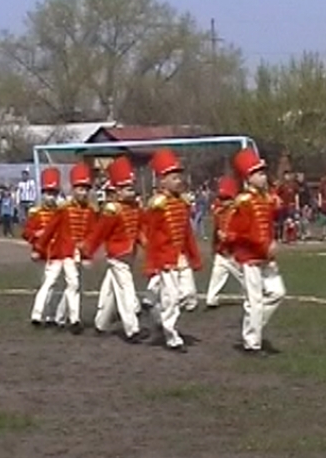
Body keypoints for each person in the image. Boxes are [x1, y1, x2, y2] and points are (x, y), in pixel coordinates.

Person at [224, 148, 286, 355]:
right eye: (259, 173)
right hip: (249, 257)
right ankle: (252, 342)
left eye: (263, 172)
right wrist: (262, 244)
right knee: (255, 301)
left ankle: (253, 327)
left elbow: (273, 215)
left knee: (277, 293)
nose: (264, 177)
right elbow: (234, 233)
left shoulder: (265, 198)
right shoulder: (244, 202)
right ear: (248, 178)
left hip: (266, 256)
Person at [142, 149, 202, 353]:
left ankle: (156, 312)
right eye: (174, 177)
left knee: (190, 295)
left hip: (181, 257)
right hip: (165, 258)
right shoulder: (157, 205)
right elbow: (152, 238)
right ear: (162, 181)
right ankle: (171, 335)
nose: (179, 181)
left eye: (179, 177)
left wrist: (194, 258)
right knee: (172, 297)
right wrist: (152, 265)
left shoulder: (182, 203)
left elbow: (187, 234)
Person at [82, 157, 144, 342]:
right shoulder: (112, 210)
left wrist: (145, 242)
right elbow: (99, 234)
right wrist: (88, 253)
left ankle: (101, 324)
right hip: (117, 255)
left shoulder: (134, 208)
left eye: (132, 188)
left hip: (129, 254)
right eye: (126, 189)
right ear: (117, 191)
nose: (131, 192)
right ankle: (132, 329)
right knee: (126, 289)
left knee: (110, 291)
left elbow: (138, 229)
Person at [34, 163, 96, 334]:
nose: (83, 193)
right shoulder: (64, 210)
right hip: (64, 252)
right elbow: (50, 229)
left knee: (73, 286)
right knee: (68, 283)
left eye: (86, 189)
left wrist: (87, 254)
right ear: (73, 189)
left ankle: (63, 317)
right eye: (80, 189)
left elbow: (92, 233)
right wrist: (38, 247)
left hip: (78, 253)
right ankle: (71, 319)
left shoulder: (90, 211)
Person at [24, 168, 63, 327]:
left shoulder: (61, 213)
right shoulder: (36, 212)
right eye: (47, 193)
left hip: (56, 253)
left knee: (54, 285)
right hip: (41, 253)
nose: (50, 197)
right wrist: (36, 234)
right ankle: (40, 313)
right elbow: (26, 233)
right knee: (46, 284)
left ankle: (49, 315)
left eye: (53, 194)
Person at [205, 176, 242, 309]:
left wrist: (228, 237)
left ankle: (255, 294)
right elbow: (215, 232)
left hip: (234, 253)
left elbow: (241, 232)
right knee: (217, 275)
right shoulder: (218, 212)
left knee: (243, 277)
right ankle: (211, 298)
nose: (223, 202)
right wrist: (213, 247)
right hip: (222, 252)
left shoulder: (238, 212)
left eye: (226, 198)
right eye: (221, 198)